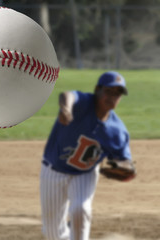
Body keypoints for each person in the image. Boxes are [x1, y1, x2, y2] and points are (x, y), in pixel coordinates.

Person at [40, 71, 136, 240]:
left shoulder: (117, 131)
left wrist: (126, 168)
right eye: (109, 91)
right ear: (97, 90)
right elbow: (67, 95)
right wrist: (66, 109)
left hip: (85, 174)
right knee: (52, 233)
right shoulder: (83, 103)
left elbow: (125, 161)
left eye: (118, 94)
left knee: (81, 209)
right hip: (54, 170)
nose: (113, 97)